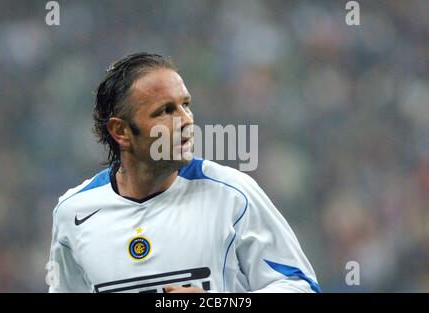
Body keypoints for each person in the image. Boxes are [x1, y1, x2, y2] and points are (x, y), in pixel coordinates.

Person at [47, 52, 320, 293]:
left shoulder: (233, 194)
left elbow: (300, 286)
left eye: (185, 105)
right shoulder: (74, 213)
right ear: (121, 131)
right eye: (166, 111)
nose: (186, 120)